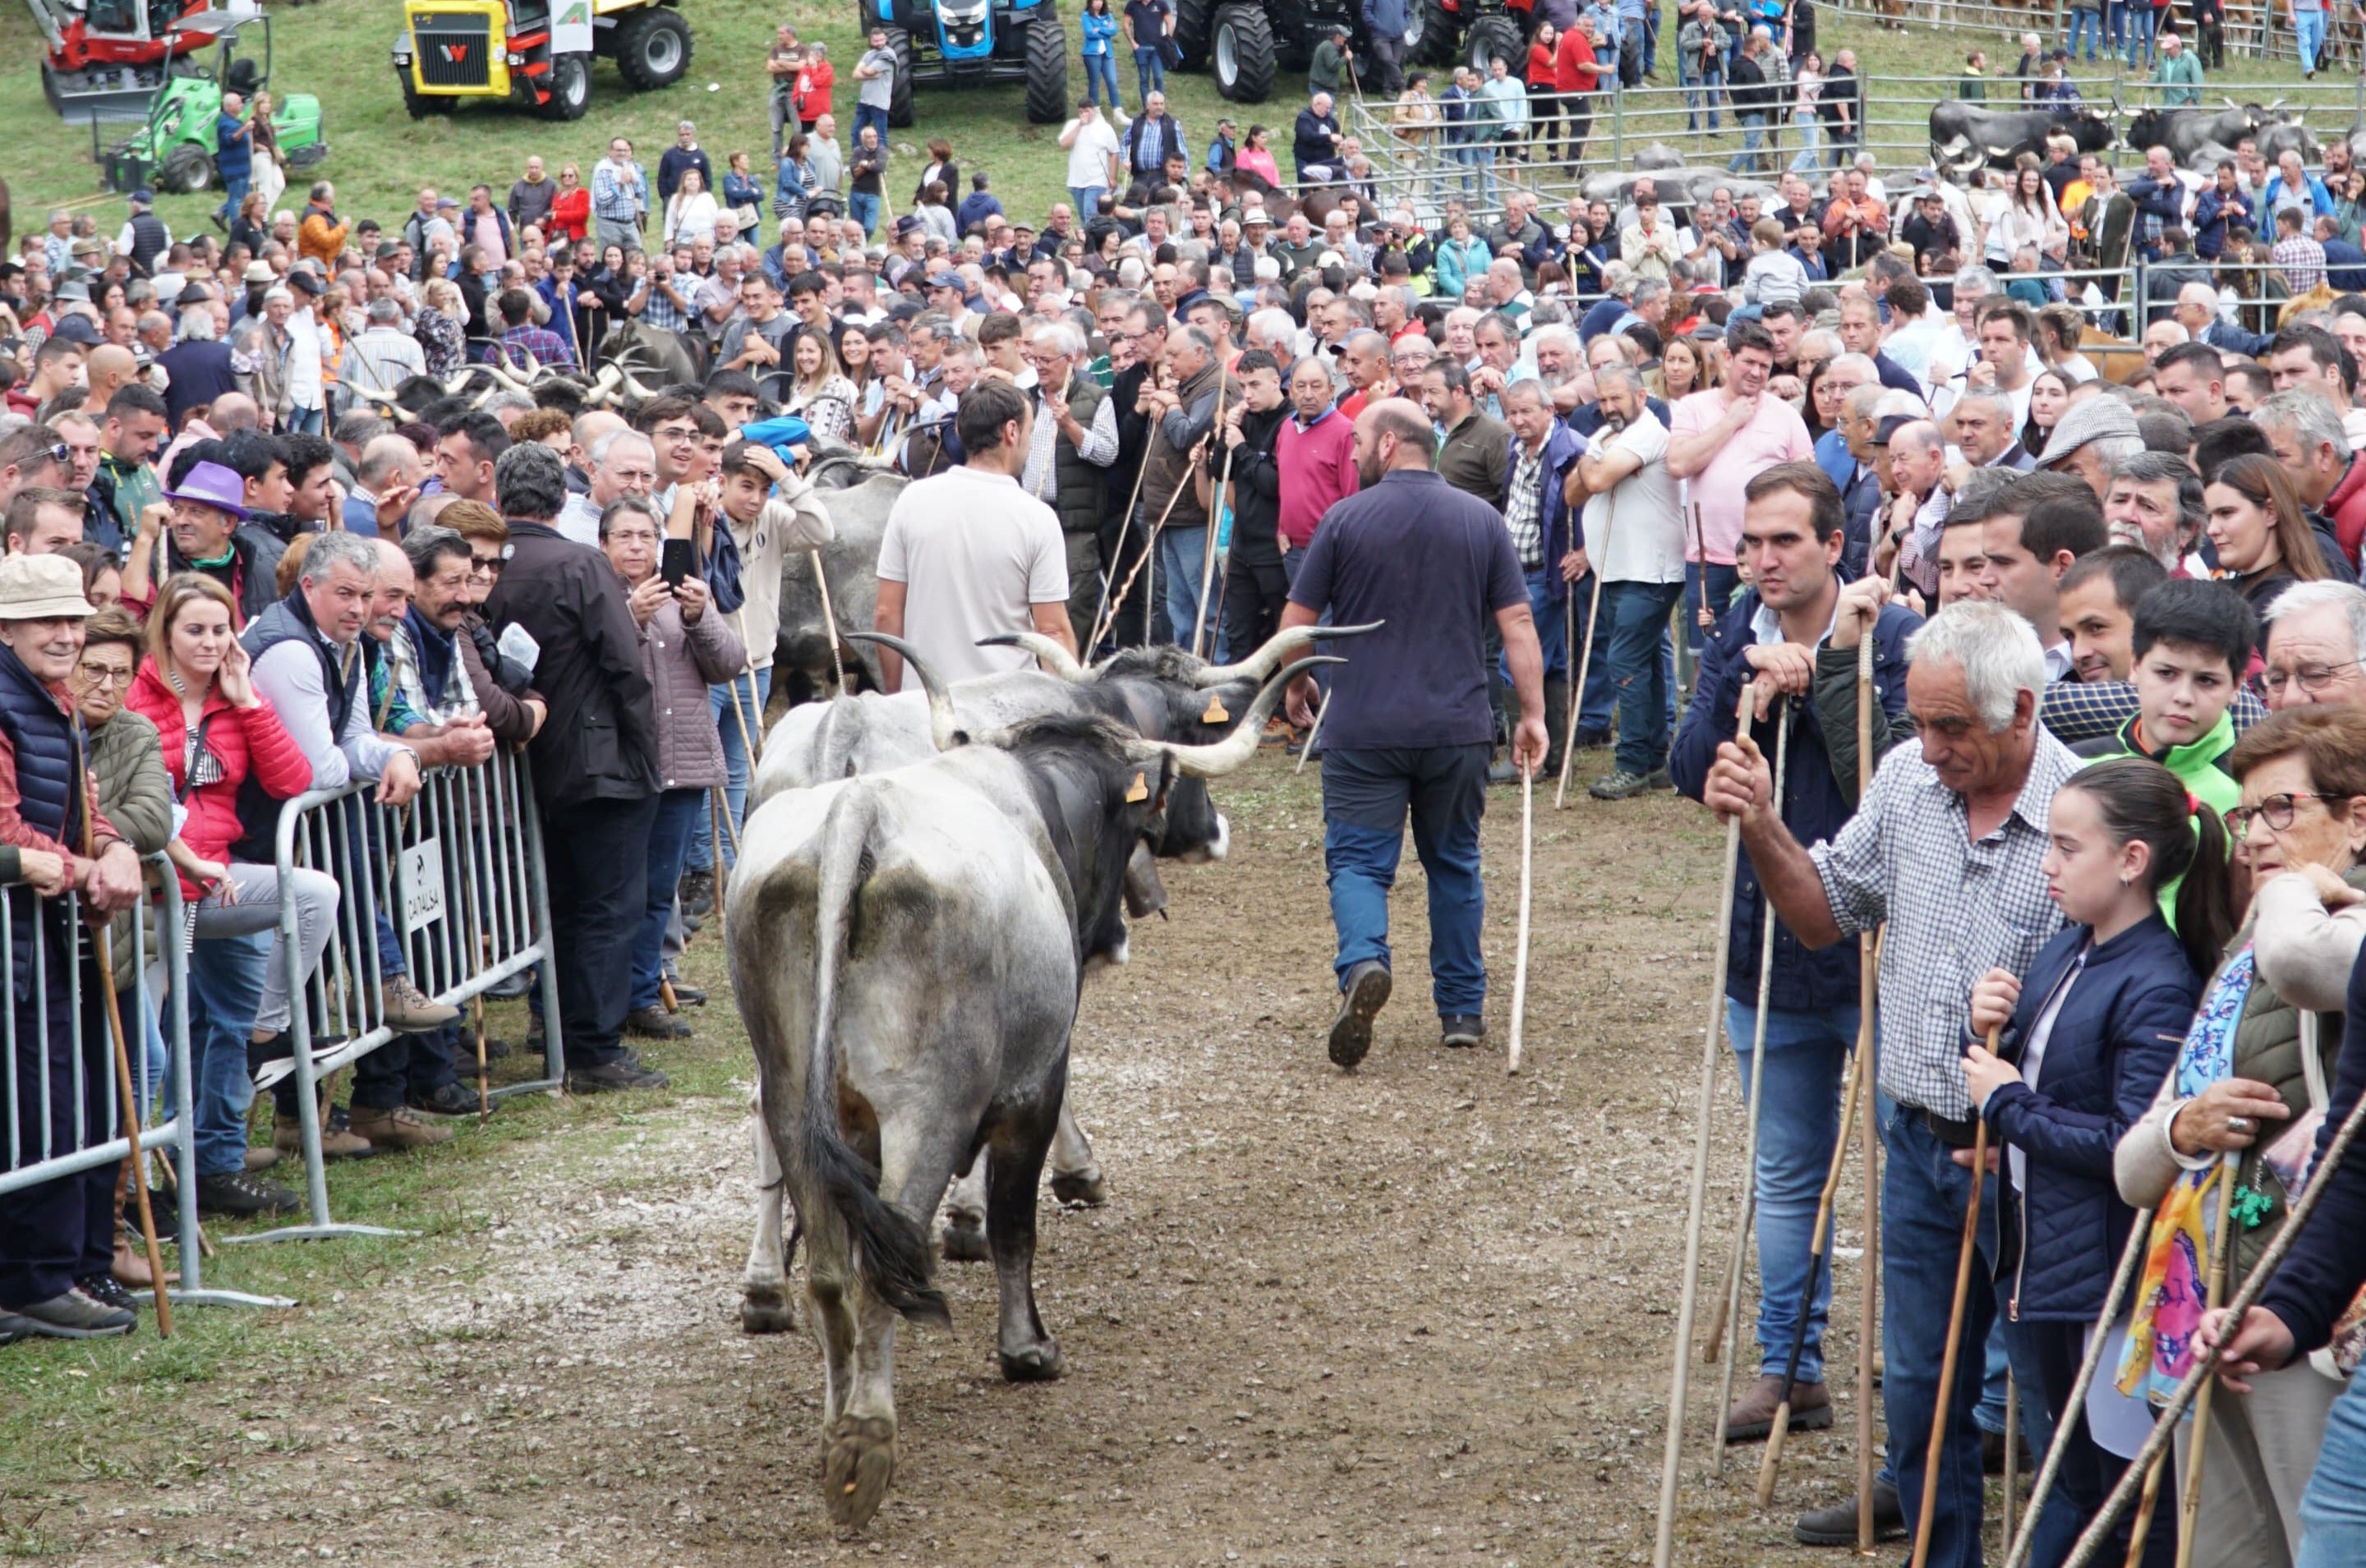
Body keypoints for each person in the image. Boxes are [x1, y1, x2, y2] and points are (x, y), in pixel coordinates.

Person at [1702, 600, 2078, 1562]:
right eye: (1919, 720)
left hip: (2035, 1163)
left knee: (2052, 1398)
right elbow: (1826, 912)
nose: (1930, 744)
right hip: (1915, 1138)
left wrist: (2036, 1119)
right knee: (1918, 1389)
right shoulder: (1909, 780)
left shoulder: (2087, 817)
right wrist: (1762, 824)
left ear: (2023, 708)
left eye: (1953, 726)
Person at [1671, 462, 1922, 1458]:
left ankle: (1927, 1373)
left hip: (1880, 945)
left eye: (1786, 541)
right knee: (1784, 1170)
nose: (1765, 559)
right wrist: (1748, 690)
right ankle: (1790, 1364)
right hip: (1764, 946)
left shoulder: (1895, 640)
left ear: (1833, 545)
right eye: (1752, 542)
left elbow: (1893, 783)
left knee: (1908, 1168)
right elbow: (1693, 771)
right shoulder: (1738, 628)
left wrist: (1827, 682)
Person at [2116, 706, 2366, 1568]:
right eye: (2245, 814)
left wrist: (2293, 892)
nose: (2256, 836)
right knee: (2222, 1549)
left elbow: (2304, 962)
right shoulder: (2240, 952)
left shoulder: (2337, 930)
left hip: (2321, 1315)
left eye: (2281, 811)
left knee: (2318, 1539)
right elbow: (2133, 1164)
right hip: (2210, 1292)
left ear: (2359, 816)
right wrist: (2183, 1128)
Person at [1964, 757, 2223, 1568]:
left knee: (2115, 1497)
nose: (2047, 861)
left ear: (2132, 861)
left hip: (2107, 1280)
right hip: (2045, 1260)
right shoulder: (2067, 947)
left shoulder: (2157, 983)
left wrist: (2006, 1104)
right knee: (2072, 1479)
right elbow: (2029, 1072)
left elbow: (2129, 1145)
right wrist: (1990, 1027)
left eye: (2067, 847)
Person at [1277, 398, 1546, 1064]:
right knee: (1453, 860)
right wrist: (1533, 714)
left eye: (1362, 440)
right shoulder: (1482, 520)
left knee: (1360, 864)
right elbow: (1517, 625)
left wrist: (1296, 681)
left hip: (1364, 724)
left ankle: (1364, 961)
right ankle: (1461, 1008)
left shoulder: (1344, 519)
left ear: (1390, 444)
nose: (1355, 451)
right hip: (1456, 726)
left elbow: (1296, 622)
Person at [480, 443, 667, 1096]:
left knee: (560, 902)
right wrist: (647, 754)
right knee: (610, 907)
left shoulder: (486, 566)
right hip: (599, 760)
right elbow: (625, 665)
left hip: (528, 758)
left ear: (501, 496)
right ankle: (594, 1048)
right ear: (563, 498)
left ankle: (561, 1030)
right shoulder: (581, 564)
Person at [0, 554, 149, 1341]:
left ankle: (47, 1273)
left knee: (54, 1101)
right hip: (14, 936)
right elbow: (4, 829)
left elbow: (83, 805)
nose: (66, 635)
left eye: (72, 619)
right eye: (46, 621)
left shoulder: (50, 699)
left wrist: (116, 846)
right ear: (6, 628)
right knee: (32, 1106)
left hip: (44, 933)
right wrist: (87, 865)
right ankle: (30, 1280)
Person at [592, 496, 742, 1042]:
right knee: (617, 889)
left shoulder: (682, 595)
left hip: (683, 763)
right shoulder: (597, 594)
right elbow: (587, 666)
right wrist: (628, 619)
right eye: (624, 536)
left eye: (645, 536)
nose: (636, 546)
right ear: (604, 543)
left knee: (659, 889)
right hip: (624, 765)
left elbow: (729, 664)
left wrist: (702, 618)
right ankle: (607, 997)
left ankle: (641, 992)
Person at [873, 380, 1073, 695]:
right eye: (1030, 432)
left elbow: (886, 613)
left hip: (923, 703)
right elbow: (1053, 631)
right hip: (1007, 705)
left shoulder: (912, 499)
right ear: (1011, 431)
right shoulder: (1037, 517)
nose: (1030, 443)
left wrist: (898, 697)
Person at [1575, 363, 1688, 800]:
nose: (1608, 408)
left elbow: (1596, 479)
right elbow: (1573, 492)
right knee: (1646, 662)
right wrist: (1598, 458)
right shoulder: (1606, 439)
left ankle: (1632, 763)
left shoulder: (1645, 432)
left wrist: (1592, 458)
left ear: (1640, 397)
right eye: (1602, 401)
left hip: (1650, 568)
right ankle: (1655, 758)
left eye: (1616, 398)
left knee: (1625, 661)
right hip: (1618, 566)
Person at [1667, 319, 1813, 650]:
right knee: (1708, 654)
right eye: (1749, 362)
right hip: (1709, 559)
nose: (1757, 373)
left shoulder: (1786, 415)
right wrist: (1731, 422)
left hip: (1769, 557)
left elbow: (1808, 478)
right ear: (1728, 359)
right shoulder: (1694, 407)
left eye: (1765, 366)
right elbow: (1678, 464)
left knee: (1767, 648)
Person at [2208, 453, 2336, 637]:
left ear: (2270, 512)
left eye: (2226, 513)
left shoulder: (2286, 605)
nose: (2212, 529)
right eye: (2209, 517)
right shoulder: (2240, 589)